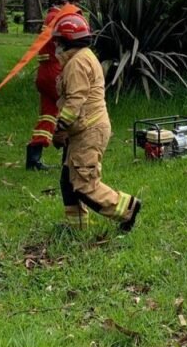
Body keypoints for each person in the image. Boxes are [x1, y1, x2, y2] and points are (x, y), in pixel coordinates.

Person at [50, 13, 141, 232]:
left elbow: (74, 101)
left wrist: (60, 127)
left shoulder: (77, 63)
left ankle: (127, 208)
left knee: (83, 184)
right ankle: (76, 228)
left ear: (67, 41)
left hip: (88, 130)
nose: (56, 47)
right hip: (84, 129)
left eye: (58, 42)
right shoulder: (84, 57)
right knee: (68, 181)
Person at [26, 0, 83, 171]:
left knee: (48, 115)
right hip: (55, 72)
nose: (76, 6)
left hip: (43, 72)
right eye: (74, 1)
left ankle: (33, 159)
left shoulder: (51, 15)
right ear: (66, 0)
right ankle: (70, 158)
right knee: (73, 109)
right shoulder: (62, 16)